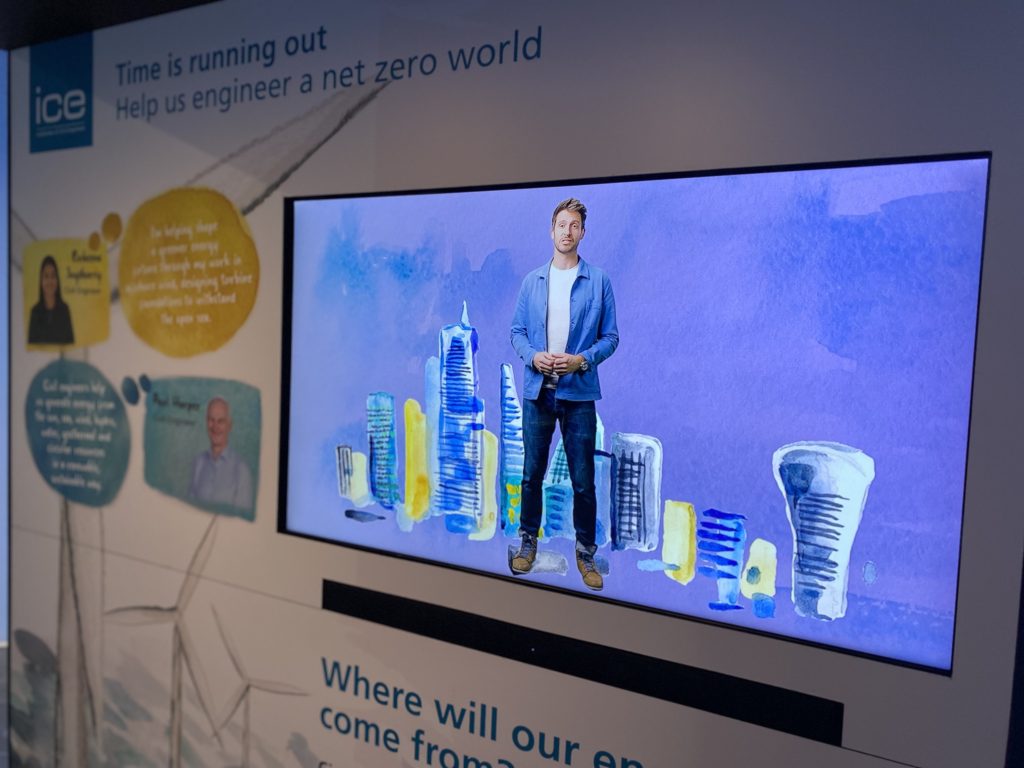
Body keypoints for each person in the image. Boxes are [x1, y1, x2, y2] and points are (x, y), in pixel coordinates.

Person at [509, 198, 619, 590]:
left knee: (583, 481)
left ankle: (586, 553)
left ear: (582, 233)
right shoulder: (532, 282)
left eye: (574, 225)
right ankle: (527, 542)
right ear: (551, 230)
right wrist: (533, 357)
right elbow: (517, 333)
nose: (567, 231)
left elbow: (611, 338)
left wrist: (581, 361)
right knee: (531, 475)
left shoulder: (599, 281)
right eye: (561, 225)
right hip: (538, 393)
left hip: (579, 395)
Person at [188, 397, 254, 510]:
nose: (215, 427)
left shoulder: (241, 470)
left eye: (221, 421)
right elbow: (189, 511)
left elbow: (241, 519)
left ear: (229, 425)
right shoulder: (198, 463)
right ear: (206, 422)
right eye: (211, 420)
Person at [28, 255, 74, 345]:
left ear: (57, 280)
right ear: (41, 281)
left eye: (53, 276)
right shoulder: (35, 312)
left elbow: (70, 345)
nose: (50, 281)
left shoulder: (64, 310)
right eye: (46, 276)